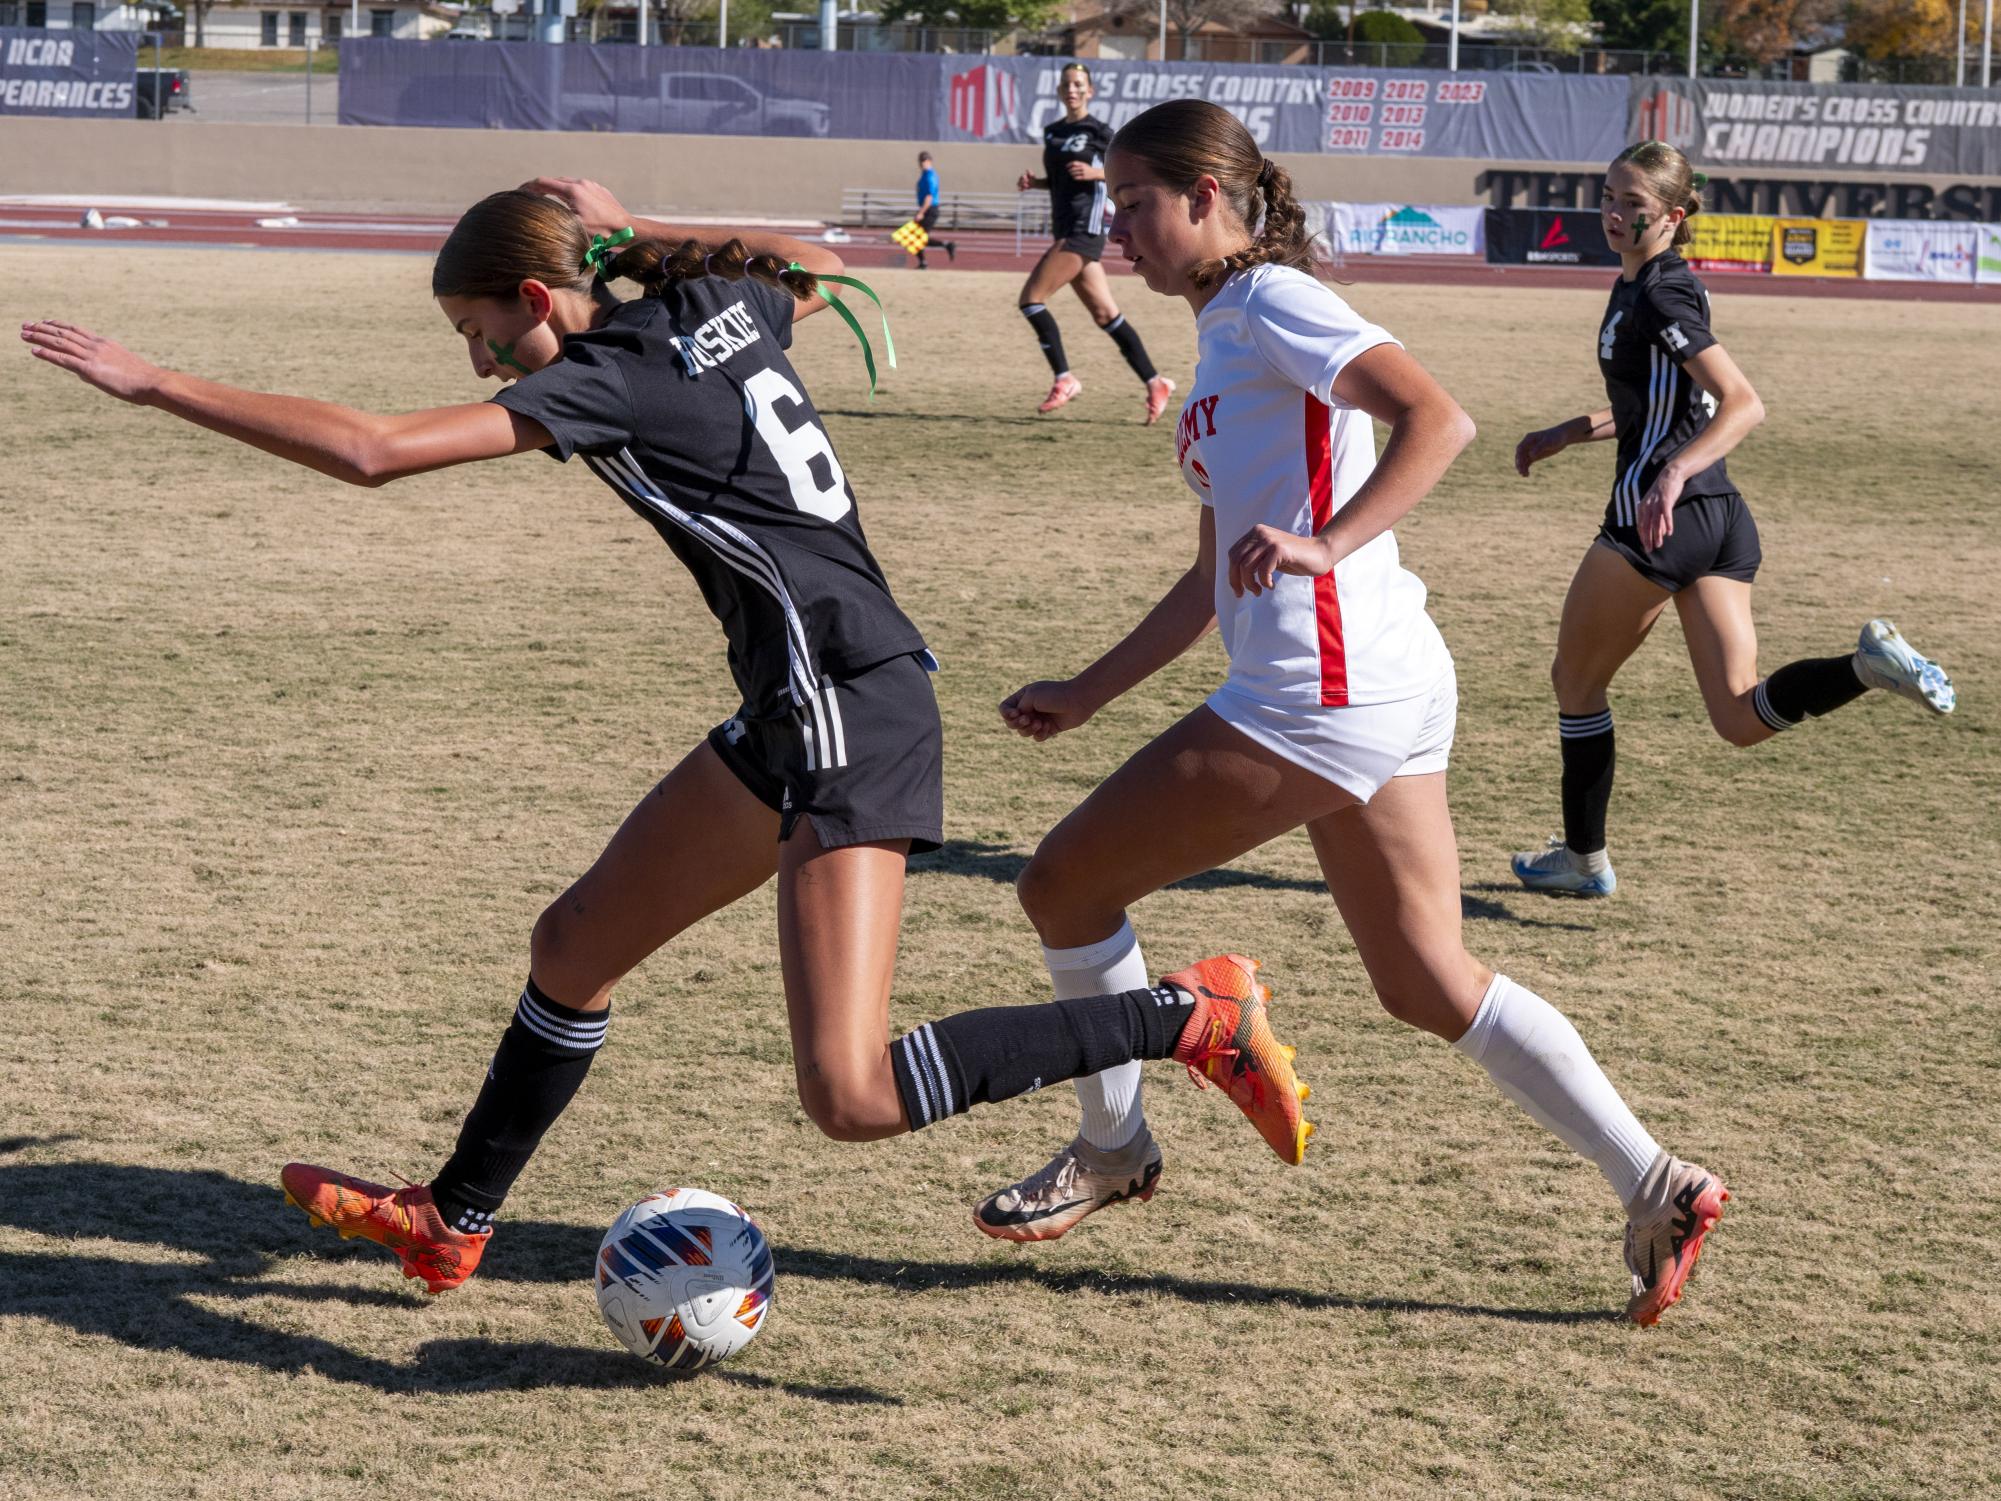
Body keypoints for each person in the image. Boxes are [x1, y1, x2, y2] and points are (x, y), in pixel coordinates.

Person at [19, 177, 1309, 1295]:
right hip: (801, 695)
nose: (478, 364)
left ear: (535, 294)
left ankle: (1188, 1016)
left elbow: (371, 452)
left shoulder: (611, 376)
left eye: (480, 334)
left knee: (850, 1090)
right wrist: (633, 226)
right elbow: (829, 276)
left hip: (844, 708)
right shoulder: (710, 307)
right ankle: (450, 1222)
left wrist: (156, 383)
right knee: (574, 945)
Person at [974, 101, 1723, 1326]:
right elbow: (1215, 570)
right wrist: (1090, 689)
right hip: (1377, 680)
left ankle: (1115, 1148)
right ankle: (1656, 1182)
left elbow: (1442, 420)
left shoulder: (1272, 301)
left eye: (1135, 203)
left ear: (1210, 198)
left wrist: (1327, 543)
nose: (1115, 229)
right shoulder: (1226, 335)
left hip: (1323, 695)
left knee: (1064, 887)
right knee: (1427, 980)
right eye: (1108, 205)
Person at [1509, 140, 1955, 898]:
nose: (1614, 215)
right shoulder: (1656, 283)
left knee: (1574, 683)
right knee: (1738, 717)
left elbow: (1741, 401)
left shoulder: (1660, 293)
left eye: (1634, 206)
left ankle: (1582, 860)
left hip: (1658, 520)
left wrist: (1672, 472)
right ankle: (1863, 668)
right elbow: (1666, 403)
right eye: (1608, 197)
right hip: (1720, 523)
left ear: (1673, 216)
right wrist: (1568, 430)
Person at [1014, 61, 1175, 423]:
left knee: (1031, 300)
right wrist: (1036, 183)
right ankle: (1155, 382)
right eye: (1066, 84)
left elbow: (1136, 171)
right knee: (1107, 315)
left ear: (1090, 91)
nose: (1072, 89)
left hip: (1083, 230)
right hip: (1064, 226)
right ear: (1059, 91)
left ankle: (1064, 378)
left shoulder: (1101, 132)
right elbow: (1060, 180)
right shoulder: (1053, 131)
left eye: (1079, 84)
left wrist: (1097, 172)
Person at [912, 150, 956, 270]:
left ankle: (946, 245)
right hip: (926, 208)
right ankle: (923, 262)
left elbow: (929, 197)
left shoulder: (930, 176)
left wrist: (921, 213)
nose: (922, 163)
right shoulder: (925, 174)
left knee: (918, 238)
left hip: (930, 209)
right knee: (915, 237)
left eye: (924, 160)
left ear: (930, 161)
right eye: (921, 160)